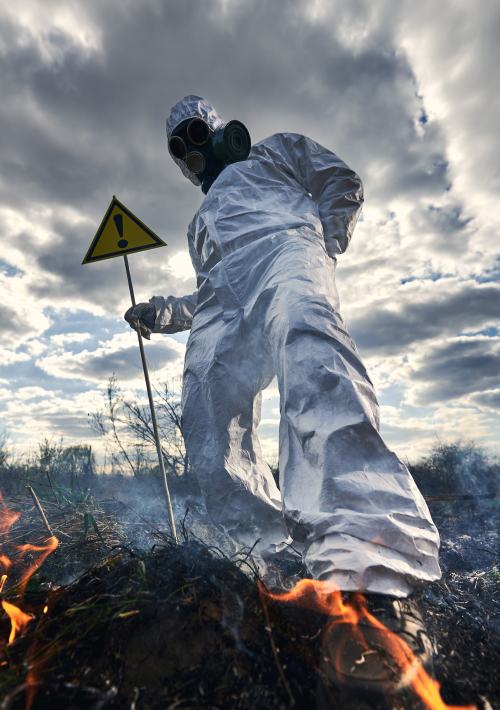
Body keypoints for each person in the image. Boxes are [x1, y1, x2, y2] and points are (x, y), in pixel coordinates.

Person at [125, 95, 441, 688]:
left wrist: (322, 240)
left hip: (285, 252)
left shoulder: (275, 151)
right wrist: (162, 312)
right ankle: (264, 551)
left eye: (195, 134)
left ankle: (369, 569)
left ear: (218, 128)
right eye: (179, 150)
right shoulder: (200, 224)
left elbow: (340, 179)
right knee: (206, 406)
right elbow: (204, 293)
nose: (192, 154)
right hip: (226, 301)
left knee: (311, 356)